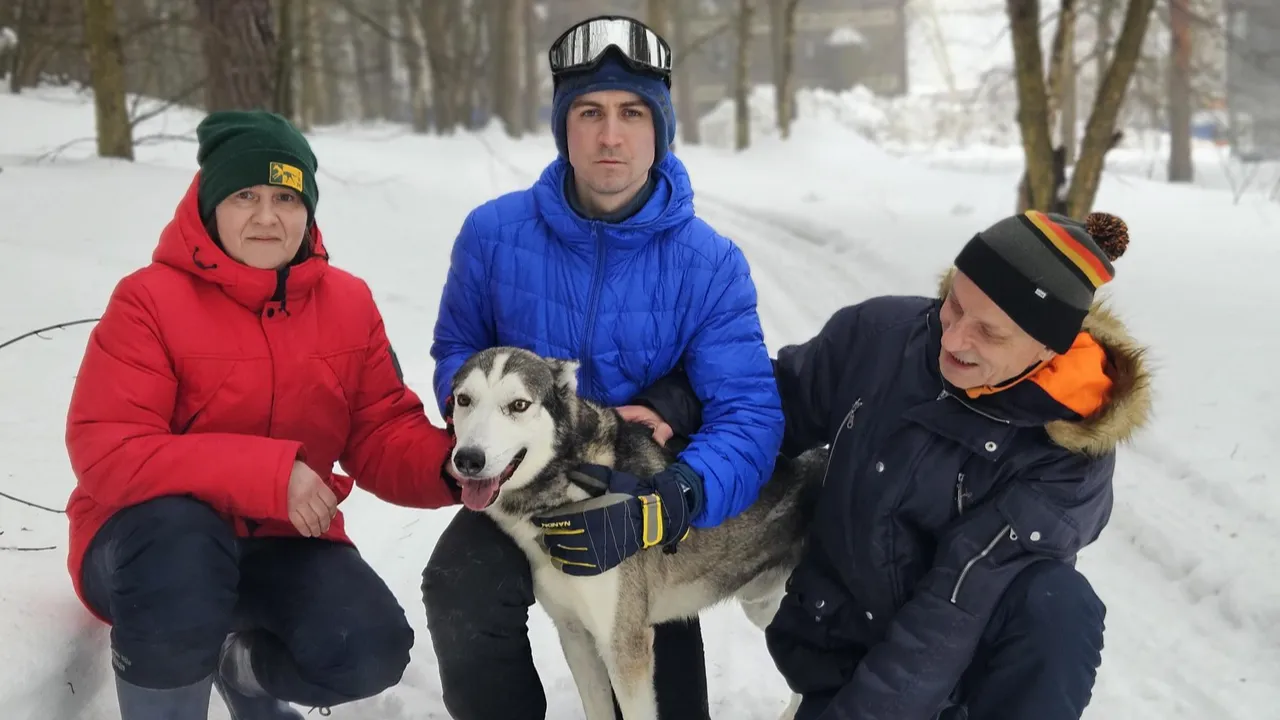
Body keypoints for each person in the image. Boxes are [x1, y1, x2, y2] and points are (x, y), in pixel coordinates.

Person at [634, 210, 1153, 720]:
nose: (952, 339)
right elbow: (776, 400)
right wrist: (672, 409)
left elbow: (949, 614)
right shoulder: (882, 336)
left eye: (989, 333)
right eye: (954, 304)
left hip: (967, 674)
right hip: (844, 648)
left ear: (1049, 347)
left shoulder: (1067, 456)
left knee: (1060, 606)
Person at [422, 14, 785, 720]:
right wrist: (497, 436)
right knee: (458, 586)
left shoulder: (708, 264)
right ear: (564, 128)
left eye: (631, 113)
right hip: (521, 487)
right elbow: (455, 357)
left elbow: (749, 411)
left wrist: (675, 497)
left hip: (639, 501)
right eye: (588, 113)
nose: (610, 136)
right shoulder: (493, 236)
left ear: (661, 129)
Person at [64, 110, 460, 720]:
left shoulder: (347, 303)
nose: (267, 217)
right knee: (182, 544)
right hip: (145, 551)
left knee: (368, 648)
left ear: (308, 211)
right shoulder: (149, 300)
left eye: (285, 197)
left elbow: (380, 429)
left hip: (280, 541)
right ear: (209, 204)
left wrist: (456, 466)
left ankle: (241, 668)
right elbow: (110, 453)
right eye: (245, 195)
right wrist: (273, 476)